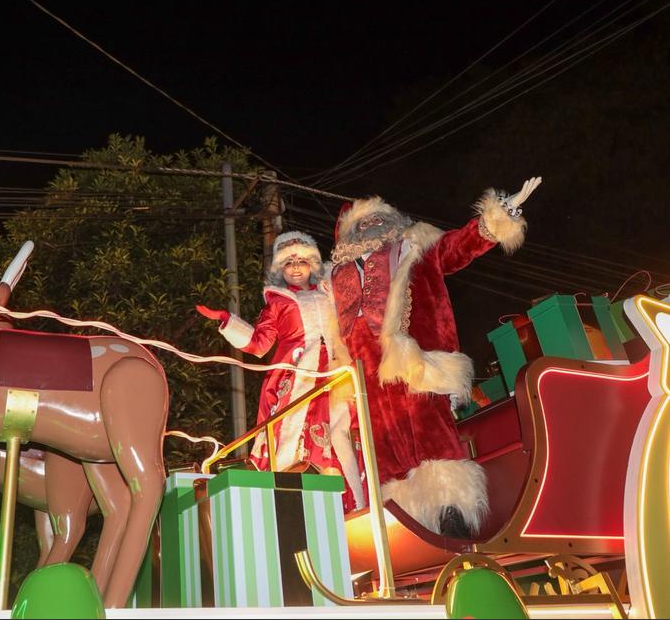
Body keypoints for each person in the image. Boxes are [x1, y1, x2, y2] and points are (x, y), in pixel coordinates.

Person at [330, 177, 541, 537]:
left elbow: (458, 246)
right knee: (387, 457)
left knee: (434, 442)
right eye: (362, 223)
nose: (371, 226)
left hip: (416, 365)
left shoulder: (416, 246)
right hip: (367, 384)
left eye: (378, 218)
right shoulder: (336, 276)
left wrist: (500, 214)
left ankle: (451, 515)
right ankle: (408, 529)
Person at [197, 231, 365, 511]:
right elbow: (259, 345)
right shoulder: (277, 303)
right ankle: (288, 503)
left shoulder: (329, 293)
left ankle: (350, 505)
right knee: (290, 437)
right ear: (280, 270)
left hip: (336, 377)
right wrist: (227, 321)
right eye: (289, 262)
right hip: (295, 378)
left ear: (313, 263)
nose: (296, 266)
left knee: (342, 435)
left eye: (302, 260)